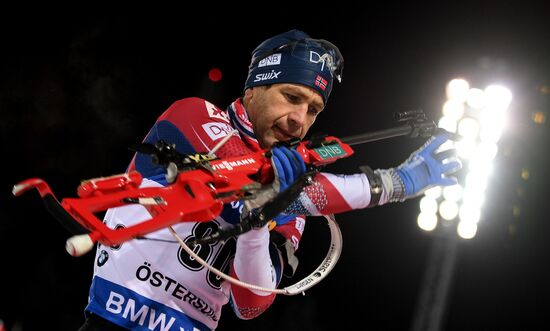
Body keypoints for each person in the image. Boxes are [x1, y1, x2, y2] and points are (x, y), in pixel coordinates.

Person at [77, 29, 461, 331]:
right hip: (110, 322)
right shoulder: (193, 116)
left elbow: (251, 304)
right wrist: (394, 183)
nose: (300, 119)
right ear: (254, 89)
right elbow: (250, 176)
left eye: (313, 109)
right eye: (291, 96)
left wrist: (257, 226)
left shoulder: (291, 201)